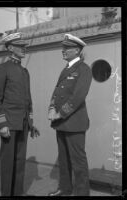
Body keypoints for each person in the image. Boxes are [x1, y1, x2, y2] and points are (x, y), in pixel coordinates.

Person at [0, 32, 40, 196]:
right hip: (9, 124)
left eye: (24, 46)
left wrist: (31, 123)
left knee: (19, 163)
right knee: (8, 164)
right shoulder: (1, 69)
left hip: (23, 124)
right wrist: (1, 124)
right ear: (10, 48)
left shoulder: (24, 72)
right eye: (20, 46)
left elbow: (27, 100)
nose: (24, 49)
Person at [48, 33, 92, 196]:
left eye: (66, 48)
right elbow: (57, 92)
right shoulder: (65, 69)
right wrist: (51, 109)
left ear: (77, 50)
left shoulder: (84, 69)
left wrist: (60, 113)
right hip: (61, 123)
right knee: (64, 160)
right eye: (63, 47)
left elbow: (78, 96)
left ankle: (82, 193)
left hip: (74, 122)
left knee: (78, 162)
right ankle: (65, 189)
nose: (63, 50)